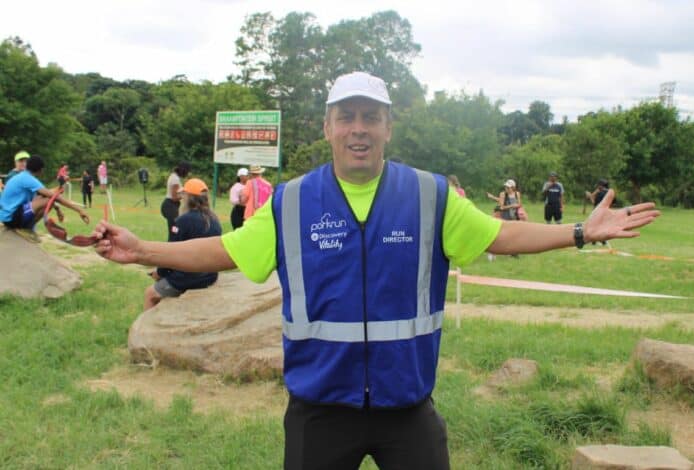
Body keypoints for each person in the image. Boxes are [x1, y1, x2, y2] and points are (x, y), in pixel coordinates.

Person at [92, 71, 659, 470]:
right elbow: (226, 251)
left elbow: (501, 235)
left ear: (389, 127)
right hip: (319, 409)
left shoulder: (429, 195)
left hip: (406, 408)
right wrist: (142, 250)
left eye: (371, 117)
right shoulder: (292, 201)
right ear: (327, 127)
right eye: (346, 118)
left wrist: (580, 232)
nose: (358, 128)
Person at [145, 178, 222, 310]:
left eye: (183, 195)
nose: (181, 199)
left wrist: (160, 273)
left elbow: (169, 254)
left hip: (188, 278)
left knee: (150, 295)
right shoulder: (214, 220)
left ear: (188, 198)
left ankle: (149, 324)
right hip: (210, 276)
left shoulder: (183, 221)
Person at [1, 155, 89, 239]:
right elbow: (54, 197)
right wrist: (79, 210)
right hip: (11, 218)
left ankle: (26, 227)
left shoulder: (23, 176)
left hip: (7, 217)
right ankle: (27, 229)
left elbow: (44, 195)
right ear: (41, 170)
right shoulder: (28, 179)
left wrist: (58, 209)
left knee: (45, 198)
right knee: (49, 199)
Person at [160, 161, 191, 240]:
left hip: (171, 205)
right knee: (174, 228)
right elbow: (174, 197)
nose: (187, 174)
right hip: (170, 206)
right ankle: (172, 242)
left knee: (174, 228)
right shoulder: (175, 180)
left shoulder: (174, 176)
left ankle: (173, 242)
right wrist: (185, 194)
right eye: (187, 172)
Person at [586, 179, 610, 246]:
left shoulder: (600, 193)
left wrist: (590, 196)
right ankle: (602, 241)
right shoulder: (609, 192)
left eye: (598, 185)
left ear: (601, 186)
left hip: (598, 212)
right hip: (606, 211)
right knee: (602, 226)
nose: (597, 187)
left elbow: (594, 203)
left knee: (595, 226)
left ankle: (596, 241)